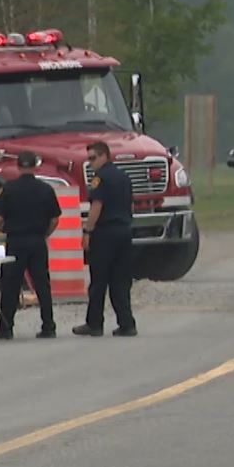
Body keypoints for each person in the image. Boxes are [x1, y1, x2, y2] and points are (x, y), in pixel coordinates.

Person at [0, 151, 61, 340]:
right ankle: (48, 325)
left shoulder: (8, 188)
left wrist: (4, 229)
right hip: (37, 241)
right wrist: (44, 234)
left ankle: (6, 327)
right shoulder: (45, 189)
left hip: (15, 241)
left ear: (19, 166)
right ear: (35, 166)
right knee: (42, 285)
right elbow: (55, 219)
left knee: (10, 285)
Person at [74, 141, 137, 337]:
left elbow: (96, 207)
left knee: (99, 280)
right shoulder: (123, 177)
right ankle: (127, 324)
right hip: (124, 231)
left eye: (93, 158)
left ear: (104, 156)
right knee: (121, 280)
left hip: (105, 233)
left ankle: (94, 323)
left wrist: (88, 232)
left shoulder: (99, 179)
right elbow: (130, 205)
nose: (90, 162)